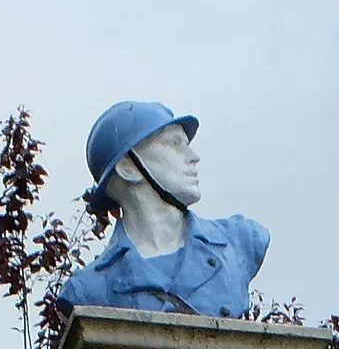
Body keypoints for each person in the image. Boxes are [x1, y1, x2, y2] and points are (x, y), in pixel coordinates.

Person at [58, 100, 270, 319]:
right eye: (174, 144)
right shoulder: (89, 288)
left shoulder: (240, 240)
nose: (193, 157)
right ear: (128, 167)